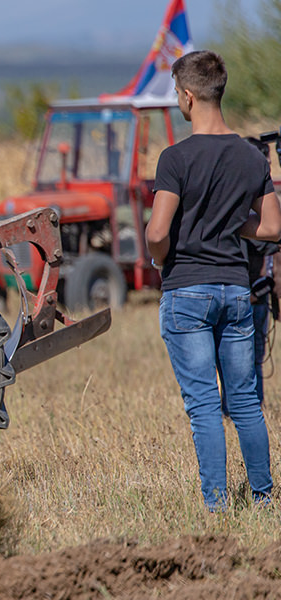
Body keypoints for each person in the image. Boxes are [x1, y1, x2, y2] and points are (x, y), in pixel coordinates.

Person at [145, 50, 281, 511]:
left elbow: (157, 232)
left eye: (175, 94)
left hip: (187, 290)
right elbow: (272, 227)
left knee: (204, 404)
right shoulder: (250, 157)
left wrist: (160, 259)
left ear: (188, 96)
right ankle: (263, 498)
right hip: (237, 292)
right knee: (245, 402)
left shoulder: (175, 158)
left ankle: (218, 505)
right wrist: (232, 223)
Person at [247, 239, 279, 405]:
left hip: (255, 301)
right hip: (253, 300)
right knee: (253, 359)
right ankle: (254, 404)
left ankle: (254, 403)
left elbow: (271, 276)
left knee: (253, 359)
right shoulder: (268, 239)